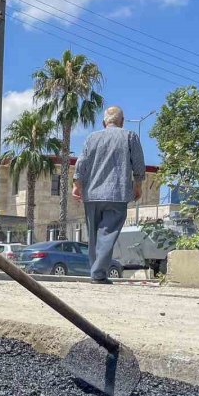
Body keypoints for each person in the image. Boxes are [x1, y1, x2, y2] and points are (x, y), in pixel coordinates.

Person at [72, 106, 145, 284]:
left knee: (94, 238)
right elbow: (138, 164)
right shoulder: (130, 136)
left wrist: (77, 185)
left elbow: (82, 163)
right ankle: (98, 274)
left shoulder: (92, 138)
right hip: (117, 194)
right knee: (107, 234)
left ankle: (96, 272)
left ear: (104, 121)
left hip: (92, 195)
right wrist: (137, 186)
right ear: (122, 121)